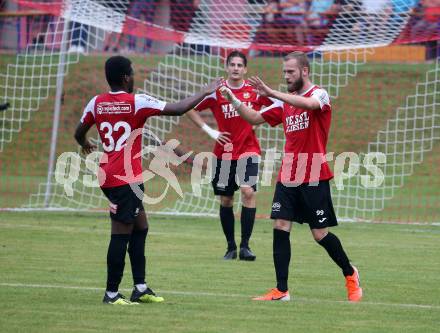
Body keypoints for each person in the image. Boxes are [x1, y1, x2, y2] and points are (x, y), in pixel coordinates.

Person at [74, 56, 221, 305]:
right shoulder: (136, 102)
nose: (134, 77)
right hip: (124, 178)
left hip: (114, 175)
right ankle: (111, 293)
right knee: (120, 232)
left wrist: (85, 144)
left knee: (140, 227)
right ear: (126, 78)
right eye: (132, 73)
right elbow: (177, 108)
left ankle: (140, 288)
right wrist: (204, 91)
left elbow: (79, 132)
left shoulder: (95, 103)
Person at [220, 51, 363, 302]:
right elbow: (254, 118)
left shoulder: (319, 94)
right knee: (280, 225)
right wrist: (234, 99)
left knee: (320, 234)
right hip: (288, 175)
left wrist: (272, 93)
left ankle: (350, 273)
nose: (286, 76)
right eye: (284, 72)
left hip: (314, 174)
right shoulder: (284, 102)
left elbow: (308, 105)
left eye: (291, 72)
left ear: (304, 71)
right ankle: (281, 290)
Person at [186, 51, 273, 261]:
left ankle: (245, 246)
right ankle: (231, 247)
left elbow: (275, 107)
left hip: (249, 150)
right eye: (232, 64)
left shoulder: (253, 91)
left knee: (248, 192)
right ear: (226, 67)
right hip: (224, 152)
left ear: (245, 69)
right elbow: (189, 107)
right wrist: (210, 131)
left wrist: (258, 120)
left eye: (239, 65)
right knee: (226, 199)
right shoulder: (217, 91)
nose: (235, 68)